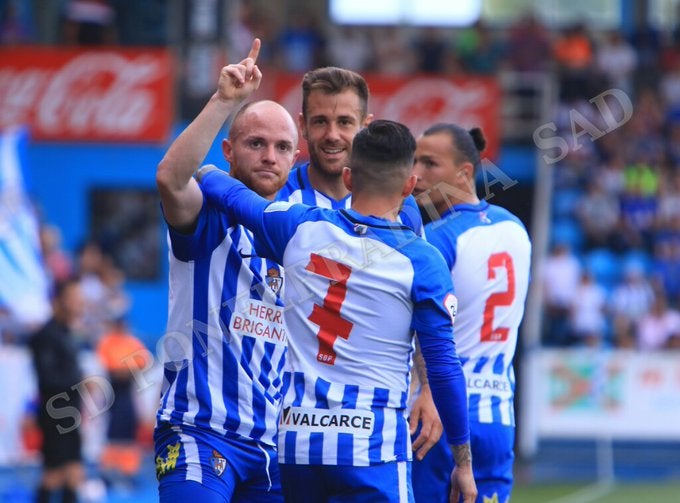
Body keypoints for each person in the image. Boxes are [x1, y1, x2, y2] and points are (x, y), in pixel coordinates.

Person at [198, 119, 477, 503]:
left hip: (299, 444)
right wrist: (462, 461)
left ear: (348, 178)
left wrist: (205, 170)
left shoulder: (298, 227)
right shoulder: (422, 261)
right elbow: (444, 367)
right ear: (409, 186)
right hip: (371, 447)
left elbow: (230, 195)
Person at [154, 38, 299, 502]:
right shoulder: (208, 213)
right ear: (229, 151)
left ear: (296, 158)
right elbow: (171, 178)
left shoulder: (301, 233)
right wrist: (224, 101)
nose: (269, 156)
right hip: (199, 431)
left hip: (272, 446)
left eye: (281, 147)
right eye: (256, 144)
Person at [276, 65, 439, 457]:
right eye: (320, 121)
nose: (332, 135)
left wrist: (428, 388)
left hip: (375, 427)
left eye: (345, 122)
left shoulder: (404, 212)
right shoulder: (280, 204)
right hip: (291, 424)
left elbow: (420, 309)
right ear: (302, 126)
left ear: (365, 126)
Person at [411, 123, 532, 503]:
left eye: (429, 163)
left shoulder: (435, 240)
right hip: (497, 416)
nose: (416, 173)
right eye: (414, 161)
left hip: (440, 415)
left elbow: (424, 331)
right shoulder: (515, 229)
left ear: (464, 173)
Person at [28, 277, 85, 503]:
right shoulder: (46, 336)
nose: (79, 304)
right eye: (73, 299)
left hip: (70, 414)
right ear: (59, 301)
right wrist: (80, 380)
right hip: (55, 414)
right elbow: (48, 379)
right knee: (54, 474)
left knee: (74, 473)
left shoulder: (67, 333)